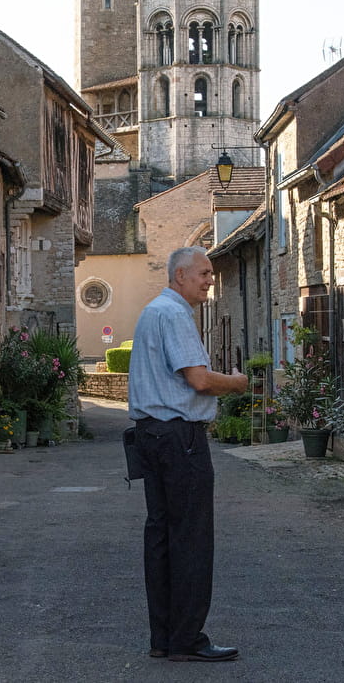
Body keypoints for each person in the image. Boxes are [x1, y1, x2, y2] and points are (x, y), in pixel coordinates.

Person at [128, 246, 248, 662]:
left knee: (161, 535)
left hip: (151, 435)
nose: (210, 280)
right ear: (179, 275)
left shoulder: (153, 311)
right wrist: (236, 382)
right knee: (191, 537)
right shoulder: (176, 314)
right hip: (180, 438)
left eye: (211, 274)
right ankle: (187, 639)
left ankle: (163, 637)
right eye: (204, 273)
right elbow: (197, 379)